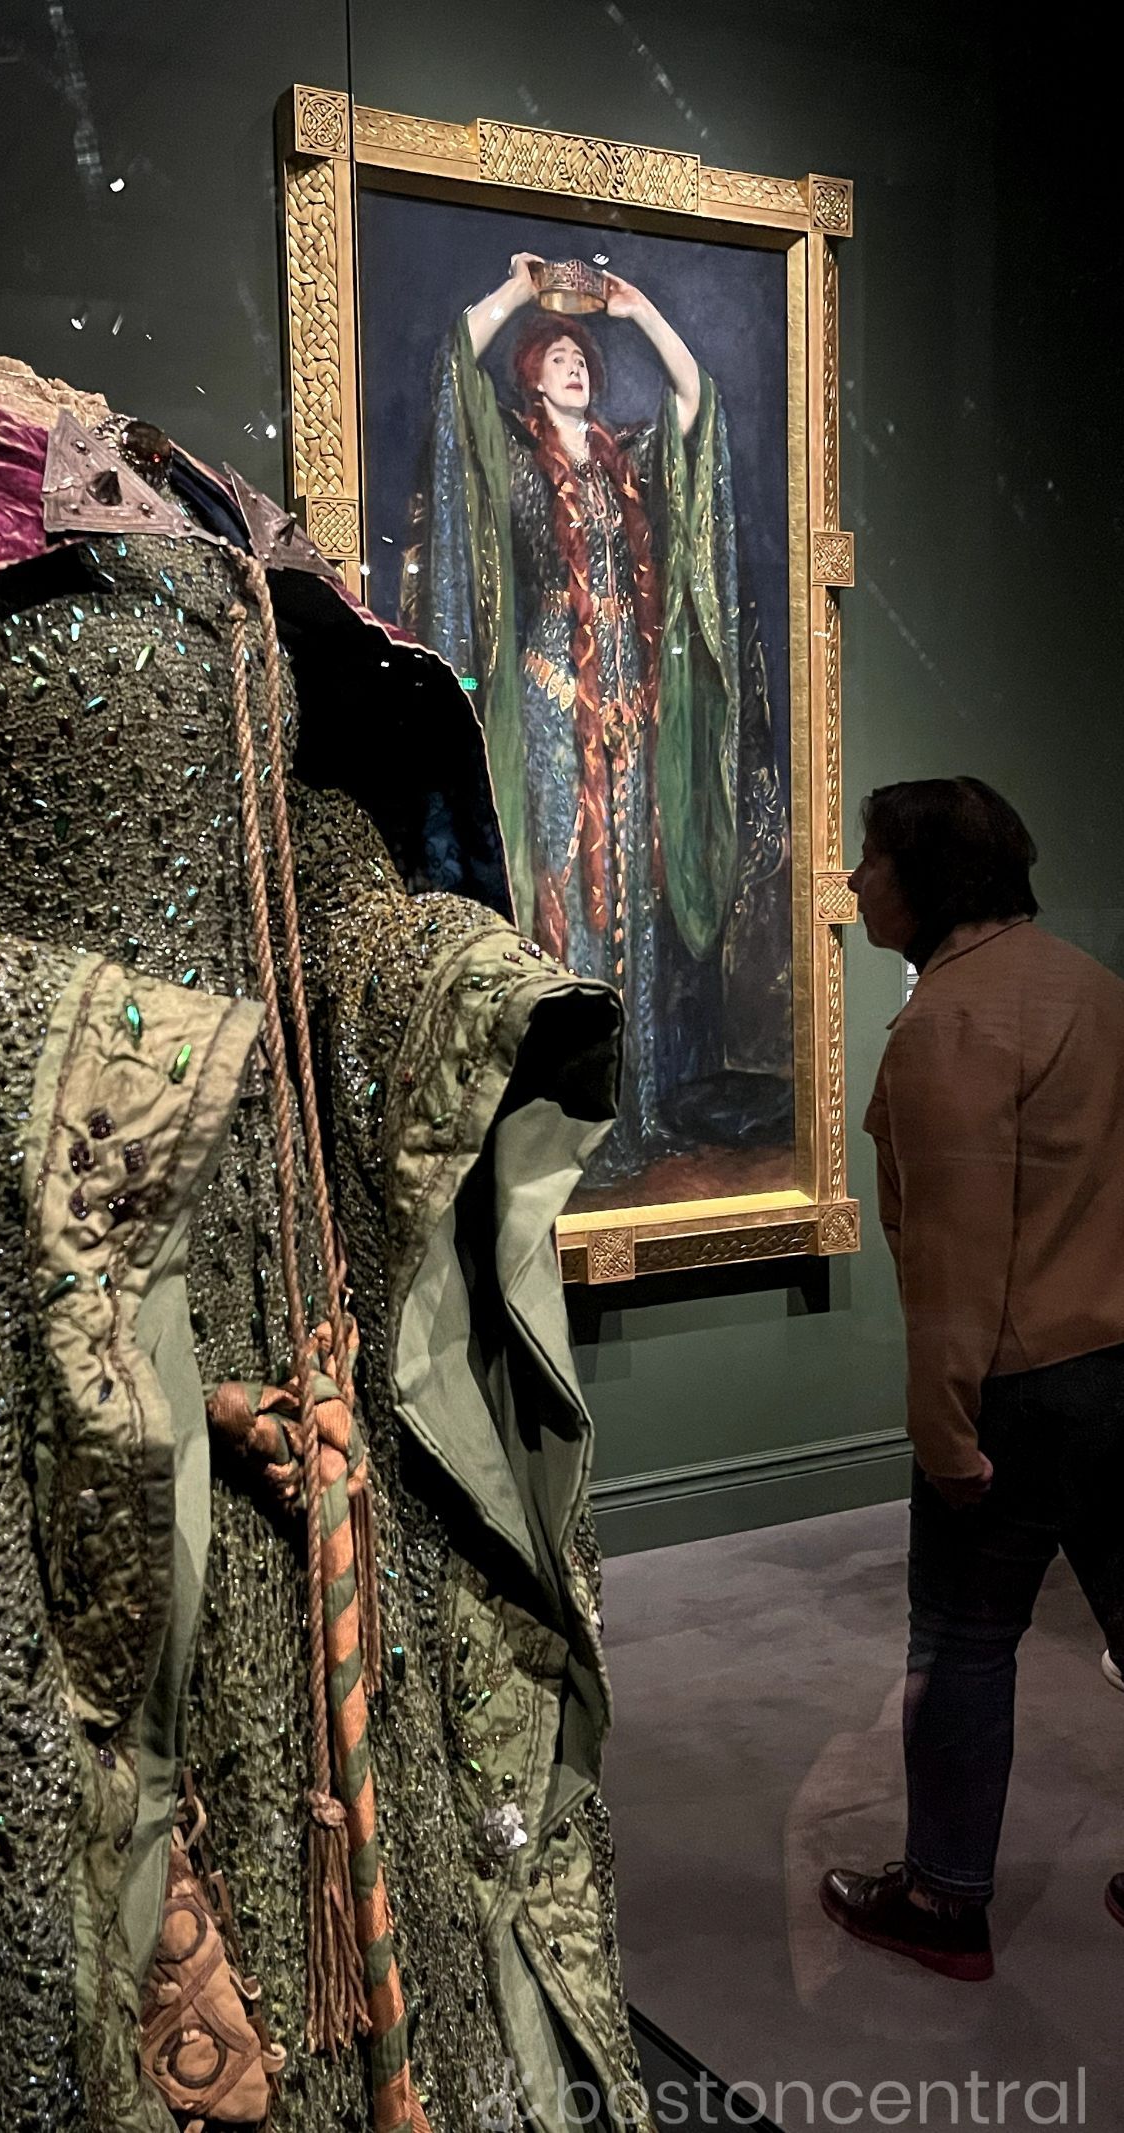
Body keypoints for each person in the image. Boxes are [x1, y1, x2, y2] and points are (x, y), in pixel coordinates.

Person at [823, 776, 1124, 1977]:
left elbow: (954, 1267)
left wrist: (946, 1437)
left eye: (873, 859)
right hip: (1118, 1377)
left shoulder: (949, 1026)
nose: (855, 881)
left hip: (1021, 1391)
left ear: (930, 876)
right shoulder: (1094, 990)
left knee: (963, 1640)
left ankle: (943, 1903)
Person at [407, 250, 791, 1181]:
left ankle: (629, 1104)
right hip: (549, 705)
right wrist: (517, 289)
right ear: (530, 377)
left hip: (630, 715)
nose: (574, 365)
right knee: (567, 898)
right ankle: (559, 1113)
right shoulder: (512, 454)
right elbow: (455, 365)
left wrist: (639, 309)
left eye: (582, 357)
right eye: (557, 356)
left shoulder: (629, 460)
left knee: (630, 906)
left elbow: (696, 401)